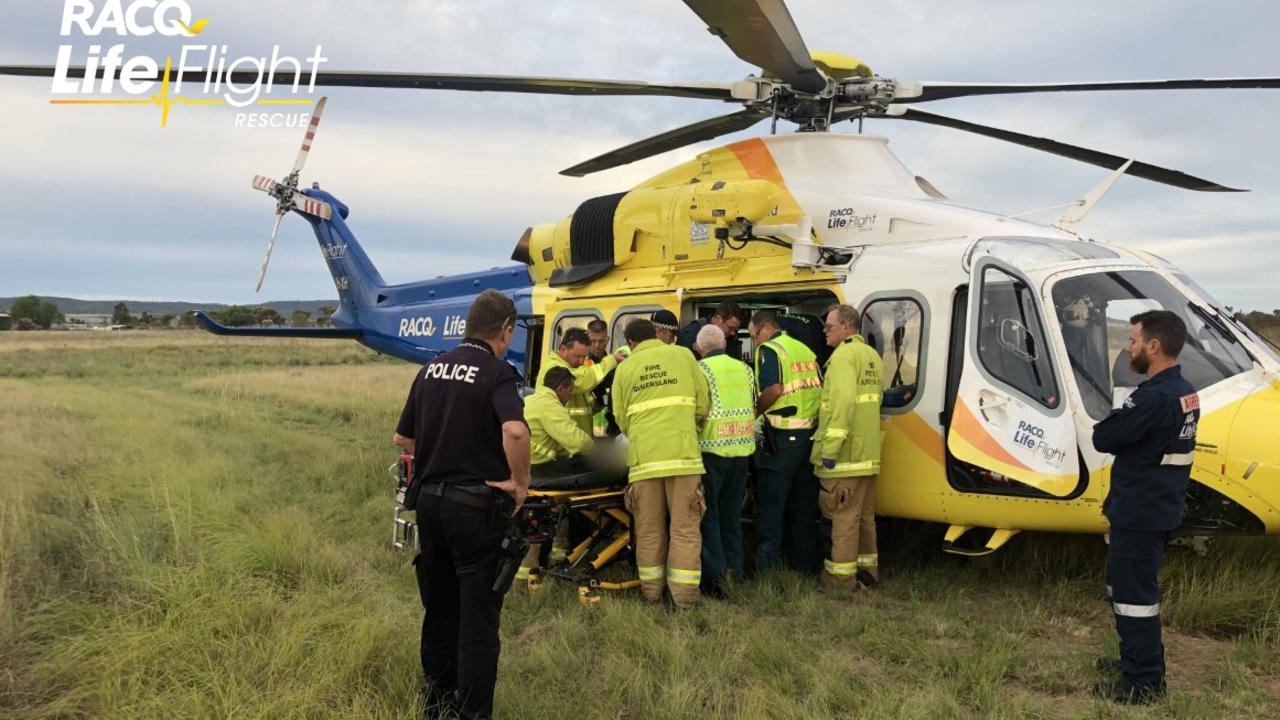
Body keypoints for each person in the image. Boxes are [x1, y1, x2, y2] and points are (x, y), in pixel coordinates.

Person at [392, 289, 530, 720]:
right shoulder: (497, 371)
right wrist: (520, 484)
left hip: (430, 507)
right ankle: (471, 714)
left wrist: (440, 451)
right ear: (505, 332)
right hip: (475, 512)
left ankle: (435, 706)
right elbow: (516, 432)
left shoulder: (431, 369)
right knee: (478, 622)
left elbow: (403, 438)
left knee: (440, 612)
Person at [1091, 310, 1199, 705]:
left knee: (1134, 599)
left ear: (1154, 346)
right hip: (1157, 506)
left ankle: (1144, 682)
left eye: (1134, 341)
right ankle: (1133, 661)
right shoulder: (1184, 390)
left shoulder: (1153, 397)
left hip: (1141, 511)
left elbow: (1106, 436)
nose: (1129, 348)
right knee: (1126, 590)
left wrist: (1117, 417)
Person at [612, 318, 710, 608]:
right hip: (683, 458)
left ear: (630, 343)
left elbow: (620, 418)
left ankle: (652, 594)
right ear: (656, 333)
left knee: (649, 530)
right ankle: (683, 600)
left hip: (644, 462)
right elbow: (703, 405)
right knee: (685, 529)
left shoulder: (625, 368)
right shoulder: (683, 356)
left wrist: (642, 434)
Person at [811, 304, 883, 590]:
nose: (825, 333)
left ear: (847, 327)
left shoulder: (842, 357)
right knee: (865, 519)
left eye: (829, 327)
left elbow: (841, 405)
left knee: (842, 519)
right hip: (867, 455)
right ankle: (867, 574)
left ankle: (839, 581)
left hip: (844, 456)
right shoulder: (872, 356)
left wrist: (829, 450)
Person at [748, 309, 823, 573]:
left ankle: (767, 568)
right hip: (809, 436)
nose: (755, 341)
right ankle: (805, 565)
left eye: (754, 335)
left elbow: (774, 389)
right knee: (803, 504)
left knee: (771, 504)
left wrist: (754, 412)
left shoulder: (770, 350)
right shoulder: (804, 350)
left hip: (782, 437)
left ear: (765, 328)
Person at [516, 366, 595, 590]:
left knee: (546, 518)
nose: (571, 396)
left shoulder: (533, 400)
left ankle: (554, 559)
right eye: (570, 391)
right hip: (537, 473)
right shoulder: (551, 405)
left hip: (524, 468)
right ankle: (526, 581)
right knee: (541, 524)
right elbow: (576, 441)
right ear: (561, 388)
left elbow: (555, 445)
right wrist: (598, 452)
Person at [693, 323, 756, 598]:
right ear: (724, 344)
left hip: (711, 451)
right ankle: (736, 573)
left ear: (698, 349)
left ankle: (715, 580)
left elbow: (697, 411)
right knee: (732, 517)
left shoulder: (700, 370)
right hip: (742, 452)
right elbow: (754, 406)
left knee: (709, 517)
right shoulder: (745, 369)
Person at [537, 327, 623, 436]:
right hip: (563, 443)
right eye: (577, 356)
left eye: (584, 356)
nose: (581, 361)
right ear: (563, 349)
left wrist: (597, 402)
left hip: (576, 439)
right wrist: (612, 360)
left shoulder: (571, 367)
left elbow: (580, 404)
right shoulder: (554, 368)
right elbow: (583, 380)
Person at [678, 300, 743, 358]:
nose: (733, 333)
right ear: (719, 319)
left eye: (735, 329)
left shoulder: (730, 337)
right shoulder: (691, 335)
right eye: (730, 328)